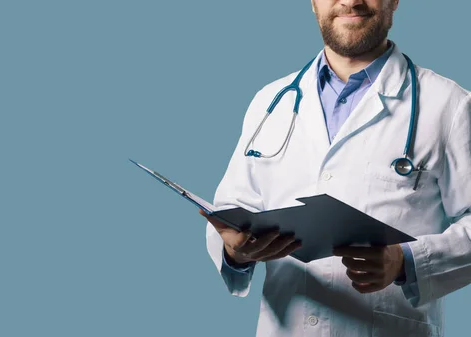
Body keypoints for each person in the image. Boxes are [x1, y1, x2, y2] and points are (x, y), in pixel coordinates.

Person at [199, 0, 471, 336]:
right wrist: (235, 250)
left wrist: (405, 261)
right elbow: (233, 210)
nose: (350, 0)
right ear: (313, 2)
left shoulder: (449, 105)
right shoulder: (271, 103)